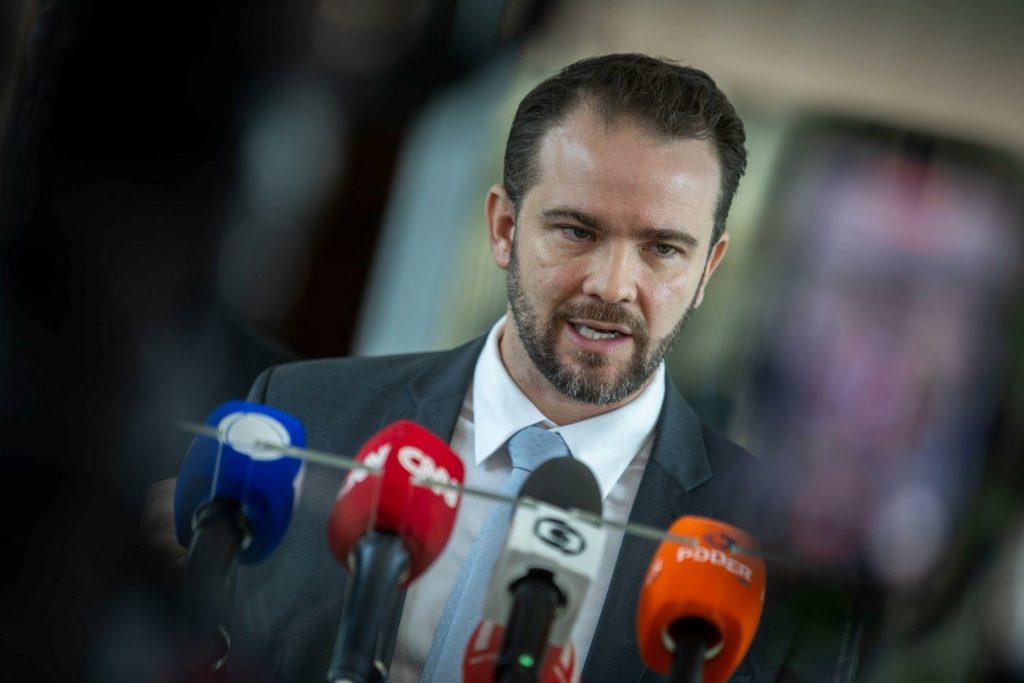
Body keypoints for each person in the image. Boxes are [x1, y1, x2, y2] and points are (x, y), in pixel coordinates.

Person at [144, 53, 855, 681]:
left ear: (708, 269)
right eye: (576, 230)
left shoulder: (784, 556)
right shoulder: (302, 414)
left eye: (663, 249)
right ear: (504, 227)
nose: (613, 285)